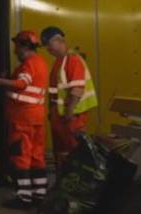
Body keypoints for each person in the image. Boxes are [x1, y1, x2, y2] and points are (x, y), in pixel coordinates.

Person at [0, 30, 49, 208]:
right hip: (36, 119)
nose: (15, 51)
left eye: (17, 46)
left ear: (24, 46)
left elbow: (22, 84)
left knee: (20, 158)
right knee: (37, 157)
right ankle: (39, 194)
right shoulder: (41, 63)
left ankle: (24, 197)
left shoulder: (28, 64)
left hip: (22, 120)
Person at [41, 26, 98, 173]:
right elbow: (55, 90)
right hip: (60, 116)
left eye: (49, 44)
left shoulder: (72, 59)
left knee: (73, 151)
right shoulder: (59, 61)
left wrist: (69, 112)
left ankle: (75, 183)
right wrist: (52, 110)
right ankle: (64, 182)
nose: (48, 49)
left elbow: (77, 90)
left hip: (71, 117)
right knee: (62, 152)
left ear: (59, 40)